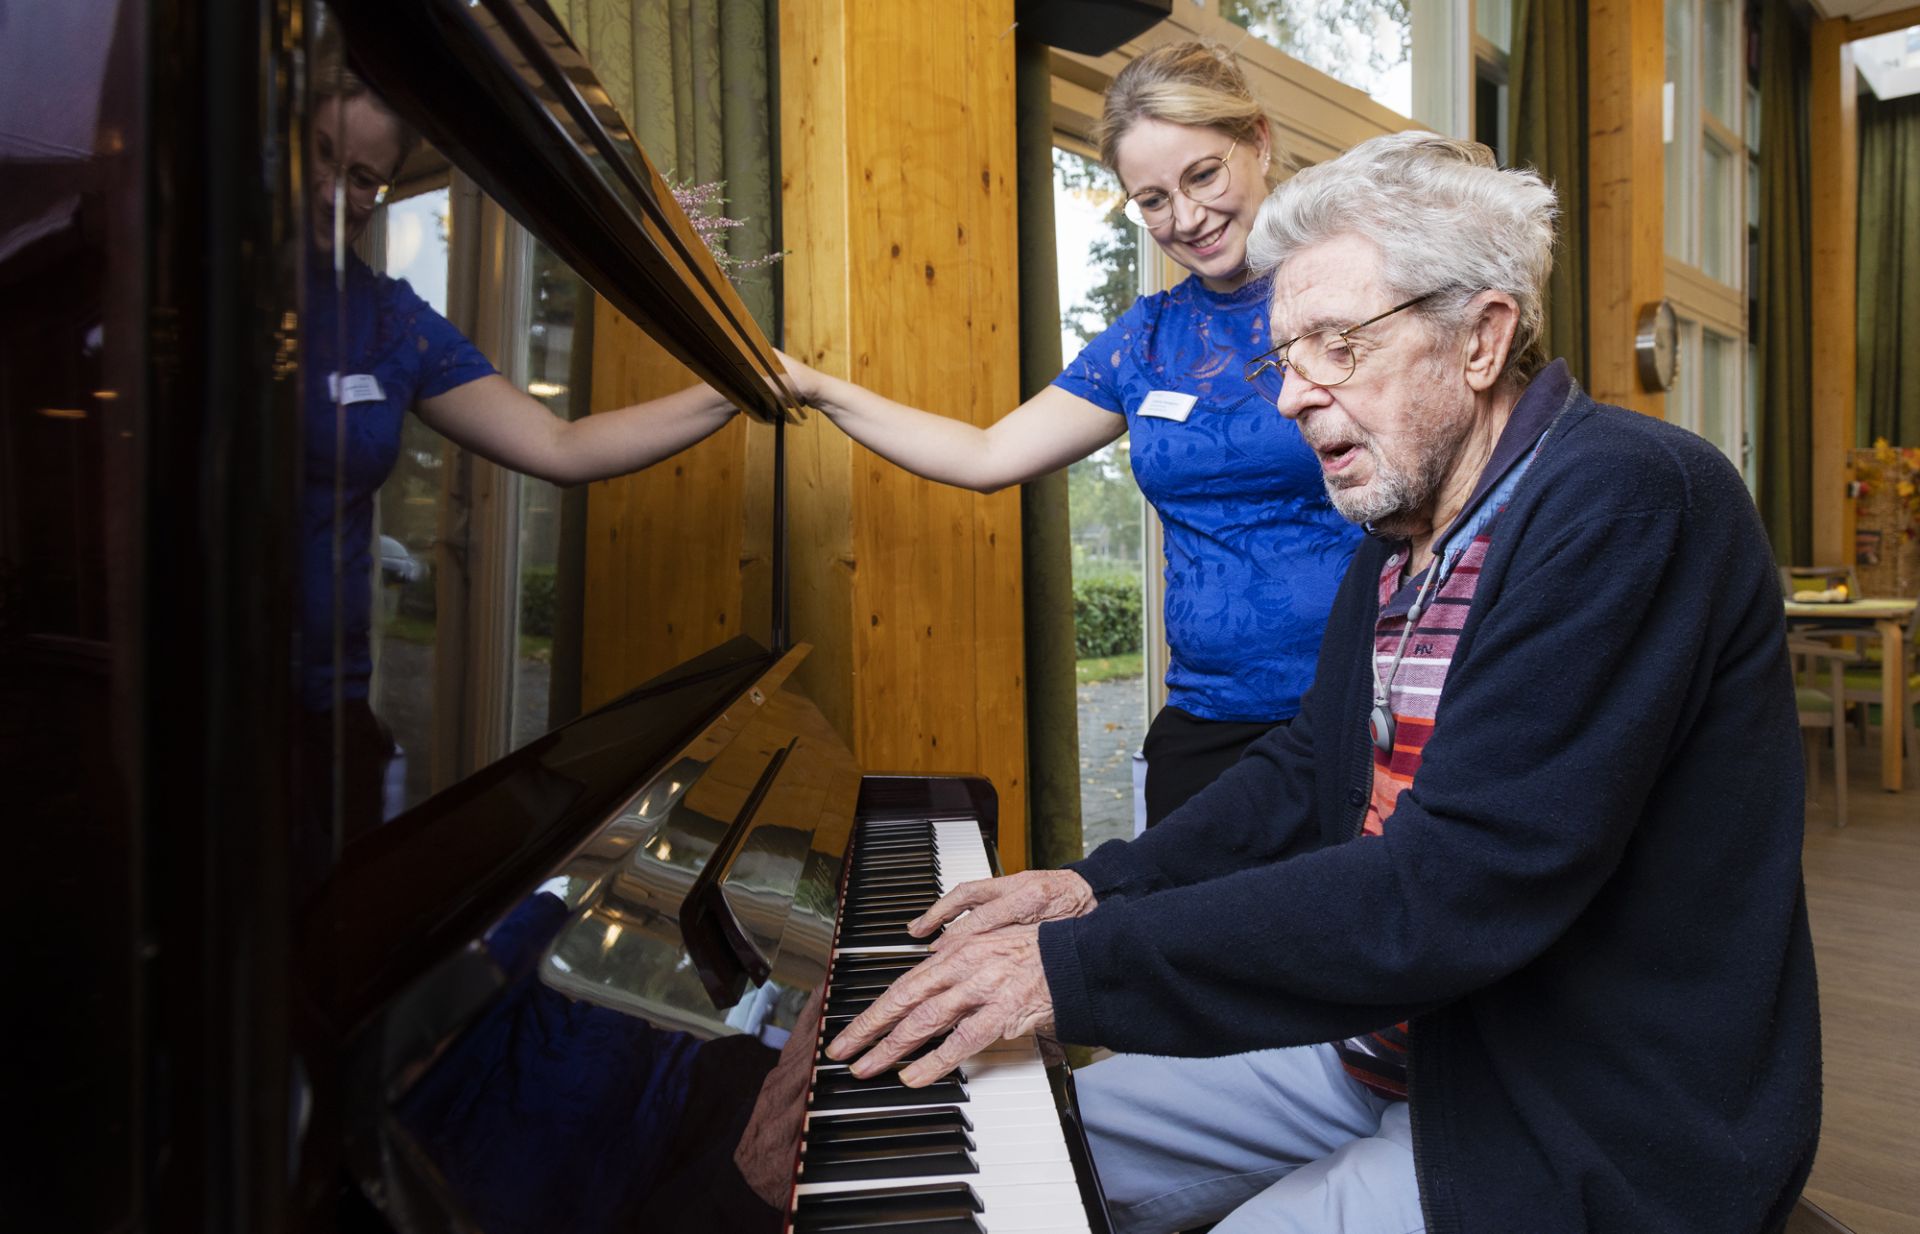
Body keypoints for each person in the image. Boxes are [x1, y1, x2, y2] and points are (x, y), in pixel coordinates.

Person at [823, 132, 1821, 1233]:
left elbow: (1452, 887)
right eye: (1285, 356)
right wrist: (1093, 887)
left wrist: (1070, 965)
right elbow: (1307, 767)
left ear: (1482, 338)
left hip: (1575, 1098)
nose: (1294, 397)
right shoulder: (1398, 532)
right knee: (1003, 1131)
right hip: (1389, 1045)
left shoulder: (1632, 498)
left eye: (1336, 346)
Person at [779, 41, 1362, 826]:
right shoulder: (1146, 339)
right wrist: (816, 386)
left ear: (1256, 141)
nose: (1185, 218)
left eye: (1202, 176)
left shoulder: (1355, 295)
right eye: (1151, 199)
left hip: (1365, 714)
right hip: (1209, 731)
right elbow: (987, 454)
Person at [297, 61, 751, 877]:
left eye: (364, 177)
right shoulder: (188, 274)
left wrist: (743, 384)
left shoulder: (390, 320)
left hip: (321, 714)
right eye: (320, 155)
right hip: (181, 699)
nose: (336, 191)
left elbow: (560, 446)